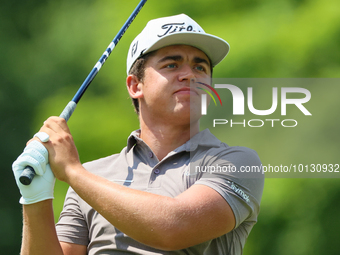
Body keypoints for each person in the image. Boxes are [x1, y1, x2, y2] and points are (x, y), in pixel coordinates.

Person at [12, 14, 264, 255]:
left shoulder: (236, 162)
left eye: (200, 67)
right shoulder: (93, 176)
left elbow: (173, 228)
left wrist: (72, 172)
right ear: (135, 85)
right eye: (172, 64)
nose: (190, 75)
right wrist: (35, 199)